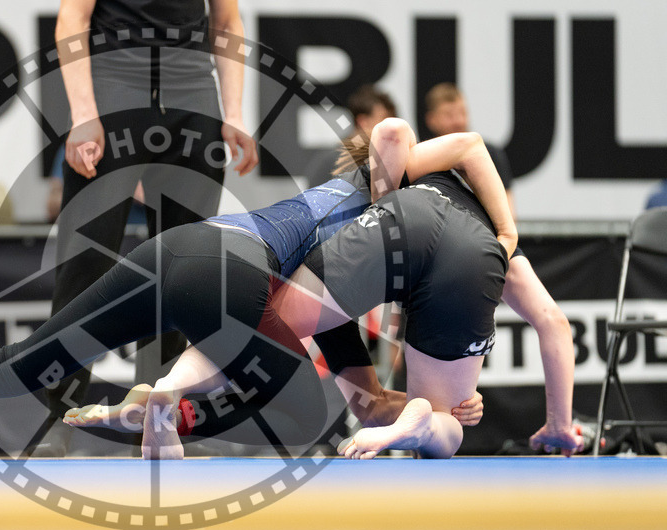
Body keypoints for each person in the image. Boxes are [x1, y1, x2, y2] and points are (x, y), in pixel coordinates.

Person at [0, 118, 530, 461]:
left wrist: (416, 403)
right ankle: (163, 406)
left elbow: (370, 390)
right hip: (231, 277)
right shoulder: (376, 206)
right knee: (304, 404)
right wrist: (504, 230)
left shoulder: (335, 225)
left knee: (23, 360)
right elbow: (361, 396)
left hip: (179, 247)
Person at [68, 121, 579, 459]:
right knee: (432, 421)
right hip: (353, 260)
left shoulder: (362, 190)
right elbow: (407, 134)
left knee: (257, 337)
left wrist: (389, 211)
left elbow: (372, 405)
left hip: (324, 265)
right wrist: (508, 231)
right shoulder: (453, 210)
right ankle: (428, 421)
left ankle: (168, 390)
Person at [37, 0, 257, 455]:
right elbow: (72, 15)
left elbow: (226, 20)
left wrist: (234, 113)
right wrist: (84, 114)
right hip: (115, 84)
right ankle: (53, 417)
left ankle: (158, 417)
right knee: (85, 261)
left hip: (191, 92)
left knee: (184, 269)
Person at [424, 82, 515, 216]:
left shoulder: (490, 154)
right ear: (431, 120)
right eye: (449, 115)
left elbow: (508, 212)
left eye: (463, 112)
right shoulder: (423, 158)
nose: (459, 121)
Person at [306, 85, 397, 187]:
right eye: (384, 120)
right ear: (363, 122)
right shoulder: (331, 162)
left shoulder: (389, 159)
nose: (392, 128)